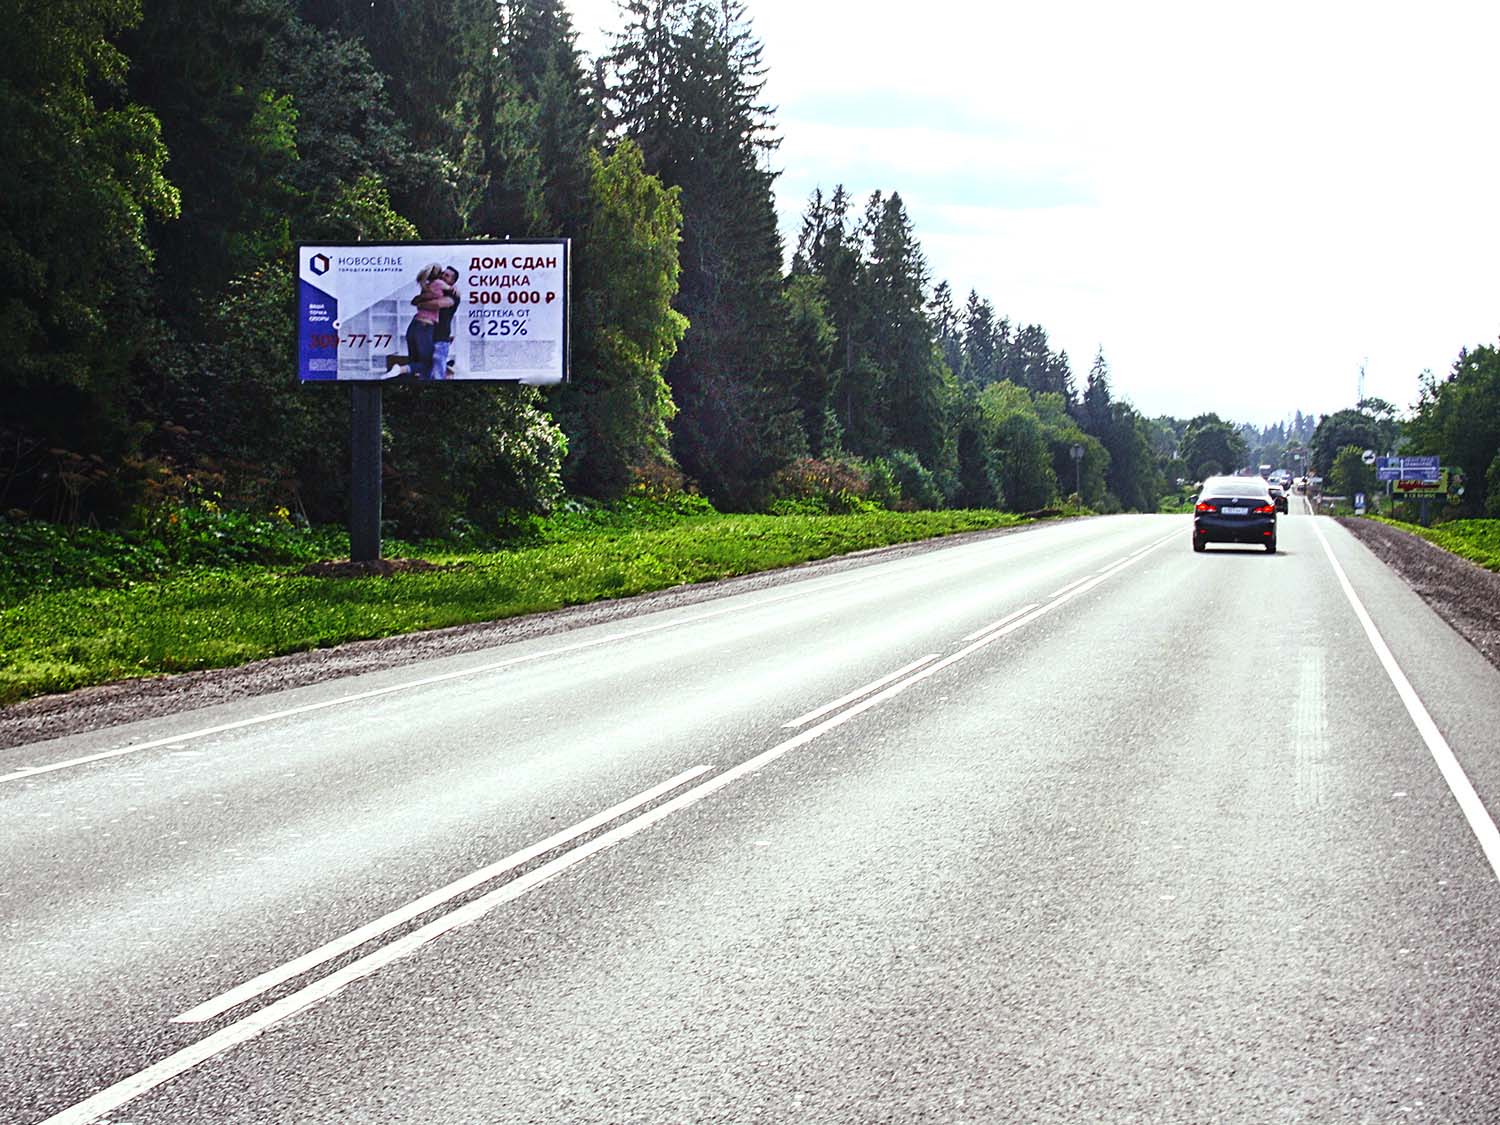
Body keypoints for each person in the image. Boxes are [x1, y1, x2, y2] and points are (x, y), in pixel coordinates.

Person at [403, 263, 452, 380]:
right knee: (428, 364)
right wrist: (454, 289)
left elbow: (415, 301)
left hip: (414, 325)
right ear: (439, 274)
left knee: (415, 361)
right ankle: (401, 369)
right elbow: (451, 291)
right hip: (425, 326)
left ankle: (407, 375)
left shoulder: (426, 286)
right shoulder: (439, 284)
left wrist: (421, 301)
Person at [414, 265, 461, 379]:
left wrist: (421, 304)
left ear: (452, 281)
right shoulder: (435, 288)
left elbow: (437, 304)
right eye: (443, 274)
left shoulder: (453, 294)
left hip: (441, 338)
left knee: (437, 373)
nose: (443, 276)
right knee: (425, 371)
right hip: (427, 336)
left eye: (447, 275)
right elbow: (416, 299)